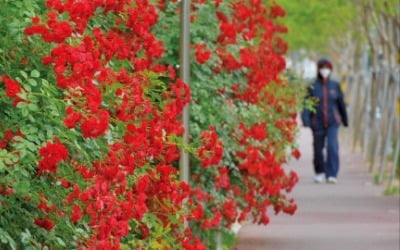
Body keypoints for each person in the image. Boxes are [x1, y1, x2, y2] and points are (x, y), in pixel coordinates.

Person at [301, 58, 348, 184]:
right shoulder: (312, 86)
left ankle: (332, 173)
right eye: (323, 68)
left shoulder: (335, 85)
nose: (325, 71)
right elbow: (306, 104)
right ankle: (319, 171)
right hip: (317, 122)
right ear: (318, 69)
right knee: (318, 149)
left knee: (332, 147)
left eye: (327, 68)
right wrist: (305, 119)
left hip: (333, 122)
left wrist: (345, 119)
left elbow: (341, 104)